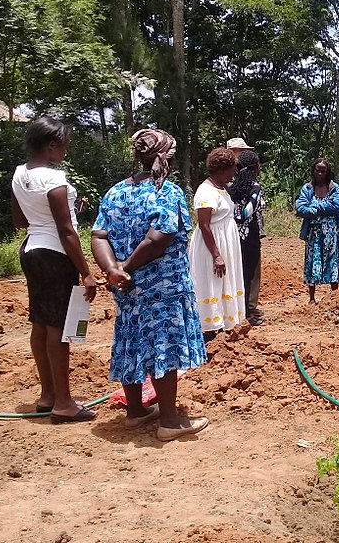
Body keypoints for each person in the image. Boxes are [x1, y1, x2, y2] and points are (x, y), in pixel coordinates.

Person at [91, 128, 209, 440]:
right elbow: (158, 238)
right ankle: (169, 421)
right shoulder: (167, 192)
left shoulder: (115, 192)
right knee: (163, 344)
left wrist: (112, 270)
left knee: (131, 340)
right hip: (162, 286)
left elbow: (98, 235)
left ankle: (136, 412)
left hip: (127, 290)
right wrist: (124, 268)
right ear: (166, 158)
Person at [11, 116, 98, 423]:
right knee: (59, 328)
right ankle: (64, 403)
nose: (66, 150)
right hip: (55, 255)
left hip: (32, 249)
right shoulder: (54, 179)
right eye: (64, 145)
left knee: (41, 321)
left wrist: (70, 213)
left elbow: (21, 221)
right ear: (51, 146)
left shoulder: (20, 174)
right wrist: (86, 272)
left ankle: (48, 395)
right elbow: (66, 232)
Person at [188, 148, 247, 339]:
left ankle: (223, 327)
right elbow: (204, 226)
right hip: (210, 248)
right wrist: (216, 255)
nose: (233, 174)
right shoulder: (205, 191)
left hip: (225, 245)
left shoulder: (222, 189)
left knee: (224, 285)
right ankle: (209, 333)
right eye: (231, 169)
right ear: (221, 169)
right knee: (211, 285)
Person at [295, 159, 339, 303]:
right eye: (318, 170)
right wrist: (321, 207)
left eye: (323, 171)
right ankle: (312, 298)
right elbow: (300, 207)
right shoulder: (308, 188)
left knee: (332, 262)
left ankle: (334, 297)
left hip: (331, 233)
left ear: (328, 172)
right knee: (313, 262)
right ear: (313, 171)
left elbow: (336, 205)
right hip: (313, 232)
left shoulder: (334, 188)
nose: (320, 173)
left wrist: (314, 206)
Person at [227, 137, 264, 322]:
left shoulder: (229, 186)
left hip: (233, 235)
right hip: (249, 236)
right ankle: (247, 314)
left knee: (238, 272)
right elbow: (245, 213)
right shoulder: (255, 187)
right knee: (248, 273)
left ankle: (240, 310)